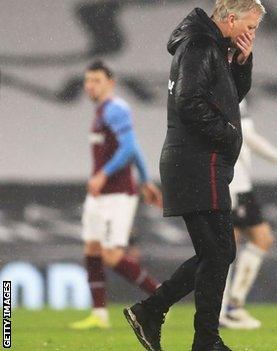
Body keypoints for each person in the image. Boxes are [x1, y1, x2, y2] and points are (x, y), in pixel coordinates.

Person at [123, 2, 265, 351]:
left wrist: (242, 63)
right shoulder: (201, 45)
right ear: (231, 19)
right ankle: (202, 339)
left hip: (198, 161)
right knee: (218, 252)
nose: (252, 34)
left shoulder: (211, 46)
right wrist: (230, 135)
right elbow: (190, 102)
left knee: (217, 251)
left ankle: (154, 312)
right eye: (251, 26)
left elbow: (225, 97)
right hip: (197, 162)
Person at [70, 60, 163, 330]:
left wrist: (103, 174)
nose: (90, 86)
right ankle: (99, 315)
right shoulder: (101, 112)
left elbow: (127, 148)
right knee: (92, 249)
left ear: (111, 82)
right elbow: (134, 149)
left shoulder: (117, 109)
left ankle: (160, 297)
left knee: (111, 256)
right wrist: (146, 179)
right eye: (88, 80)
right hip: (100, 196)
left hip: (118, 194)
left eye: (97, 80)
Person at [220, 99, 277, 329]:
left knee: (233, 243)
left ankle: (225, 308)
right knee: (251, 240)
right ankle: (229, 308)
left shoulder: (230, 86)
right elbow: (245, 137)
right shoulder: (226, 86)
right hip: (233, 182)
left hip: (236, 180)